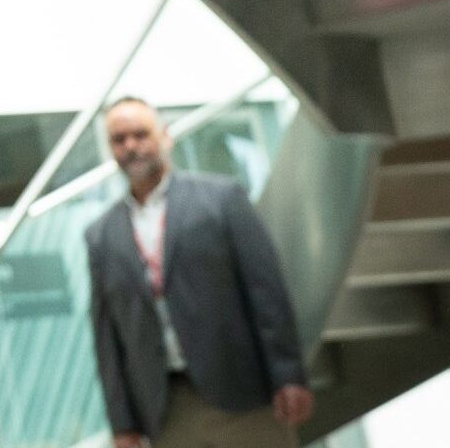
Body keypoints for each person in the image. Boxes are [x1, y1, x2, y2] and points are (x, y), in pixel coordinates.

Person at [87, 99, 312, 448]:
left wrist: (289, 375)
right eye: (119, 139)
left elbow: (266, 293)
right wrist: (122, 423)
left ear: (164, 136)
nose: (130, 146)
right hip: (167, 411)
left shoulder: (222, 199)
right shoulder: (102, 235)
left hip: (242, 395)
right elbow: (107, 338)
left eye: (140, 134)